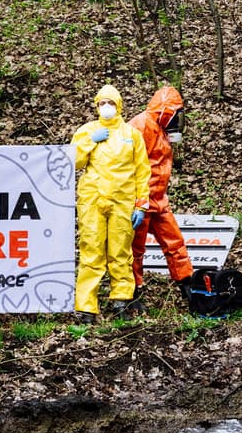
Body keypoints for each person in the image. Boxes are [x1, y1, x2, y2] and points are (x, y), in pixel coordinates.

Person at [71, 85, 151, 323]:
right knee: (91, 252)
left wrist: (141, 205)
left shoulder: (131, 134)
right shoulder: (86, 131)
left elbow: (143, 172)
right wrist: (89, 143)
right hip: (92, 200)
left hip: (123, 200)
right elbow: (71, 161)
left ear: (119, 105)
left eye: (111, 103)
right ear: (96, 106)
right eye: (102, 103)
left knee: (120, 253)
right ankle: (86, 307)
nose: (106, 107)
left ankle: (121, 300)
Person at [128, 86, 194, 309]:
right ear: (166, 110)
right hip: (141, 199)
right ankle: (132, 292)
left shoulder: (163, 128)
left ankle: (188, 286)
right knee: (135, 249)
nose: (177, 120)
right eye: (175, 113)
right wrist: (137, 200)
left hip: (159, 199)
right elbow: (127, 165)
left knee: (175, 242)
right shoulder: (140, 125)